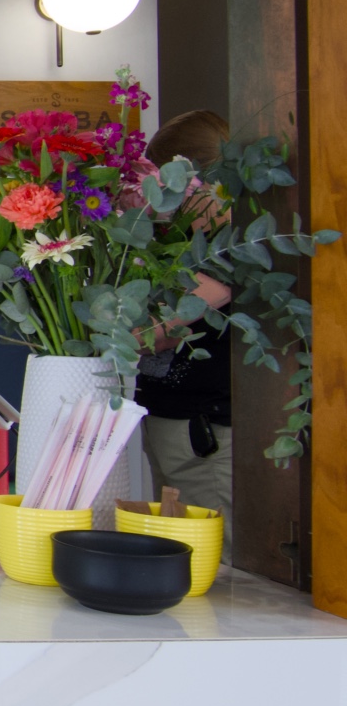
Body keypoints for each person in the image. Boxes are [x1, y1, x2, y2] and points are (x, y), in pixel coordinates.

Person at [136, 110, 237, 525]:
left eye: (165, 185)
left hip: (203, 433)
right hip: (177, 422)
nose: (160, 200)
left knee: (213, 552)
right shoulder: (193, 240)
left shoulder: (230, 249)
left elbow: (153, 334)